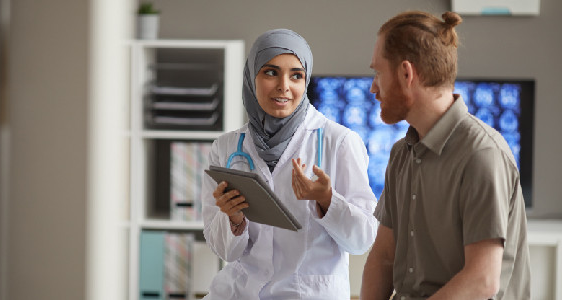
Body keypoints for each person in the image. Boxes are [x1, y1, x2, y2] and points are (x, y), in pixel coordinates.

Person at [361, 11, 530, 299]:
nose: (373, 87)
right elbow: (384, 255)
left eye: (378, 73)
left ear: (406, 74)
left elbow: (481, 280)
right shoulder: (401, 154)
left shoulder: (482, 154)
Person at [201, 28, 378, 299]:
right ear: (252, 77)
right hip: (238, 292)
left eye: (296, 75)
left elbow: (362, 240)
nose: (284, 86)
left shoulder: (339, 141)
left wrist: (328, 201)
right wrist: (234, 219)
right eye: (271, 72)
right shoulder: (226, 147)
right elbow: (225, 252)